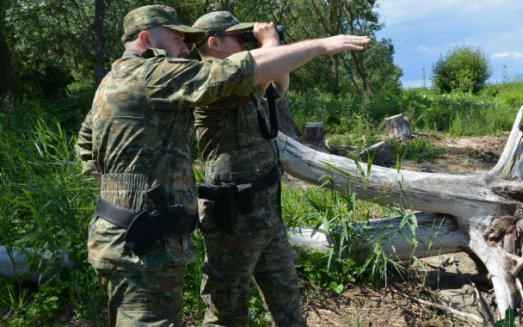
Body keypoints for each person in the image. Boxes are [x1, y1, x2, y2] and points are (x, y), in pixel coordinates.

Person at [76, 4, 370, 326]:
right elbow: (241, 72)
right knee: (223, 309)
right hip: (184, 227)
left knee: (280, 300)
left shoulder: (116, 81)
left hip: (138, 228)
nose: (184, 49)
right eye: (177, 39)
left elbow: (86, 149)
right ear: (146, 39)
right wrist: (311, 45)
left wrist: (126, 192)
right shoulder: (175, 82)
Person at [191, 12, 298, 326]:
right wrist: (270, 43)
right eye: (239, 39)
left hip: (265, 206)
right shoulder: (209, 80)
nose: (247, 45)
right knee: (226, 308)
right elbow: (269, 69)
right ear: (214, 42)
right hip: (233, 212)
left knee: (286, 296)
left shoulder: (245, 79)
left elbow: (281, 81)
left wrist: (271, 47)